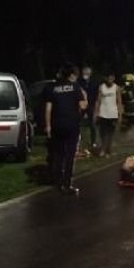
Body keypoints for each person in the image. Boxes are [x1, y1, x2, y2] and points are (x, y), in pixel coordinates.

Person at [45, 64, 88, 195]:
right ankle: (67, 184)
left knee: (58, 154)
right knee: (70, 155)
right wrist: (84, 102)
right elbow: (82, 105)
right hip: (71, 125)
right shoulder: (75, 87)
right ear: (71, 75)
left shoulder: (52, 87)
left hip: (57, 125)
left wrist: (48, 126)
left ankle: (57, 181)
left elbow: (48, 108)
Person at [94, 72, 124, 157]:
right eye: (108, 78)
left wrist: (120, 115)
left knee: (110, 133)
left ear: (113, 78)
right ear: (106, 78)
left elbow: (119, 102)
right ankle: (103, 149)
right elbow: (98, 101)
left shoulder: (116, 87)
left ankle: (109, 150)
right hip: (103, 113)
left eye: (112, 78)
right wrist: (96, 113)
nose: (110, 80)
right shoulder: (101, 87)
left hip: (113, 114)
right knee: (103, 133)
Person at [78, 66, 100, 151]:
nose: (85, 74)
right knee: (77, 123)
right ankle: (78, 141)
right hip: (82, 105)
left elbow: (97, 95)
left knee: (92, 124)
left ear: (90, 73)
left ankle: (93, 142)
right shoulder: (79, 82)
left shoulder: (94, 82)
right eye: (84, 73)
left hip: (91, 105)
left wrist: (96, 107)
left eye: (87, 73)